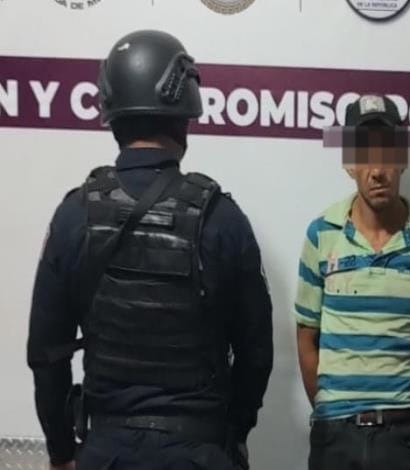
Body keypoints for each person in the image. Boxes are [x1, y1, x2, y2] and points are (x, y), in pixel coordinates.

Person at [26, 30, 273, 470]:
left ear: (111, 112)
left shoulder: (73, 216)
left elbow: (46, 353)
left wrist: (61, 451)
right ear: (185, 112)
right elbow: (256, 354)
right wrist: (233, 435)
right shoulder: (222, 219)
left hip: (105, 451)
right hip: (200, 452)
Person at [294, 94, 410, 470]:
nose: (377, 170)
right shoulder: (321, 235)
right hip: (335, 434)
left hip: (405, 436)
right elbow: (306, 338)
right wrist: (334, 411)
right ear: (348, 163)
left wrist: (400, 403)